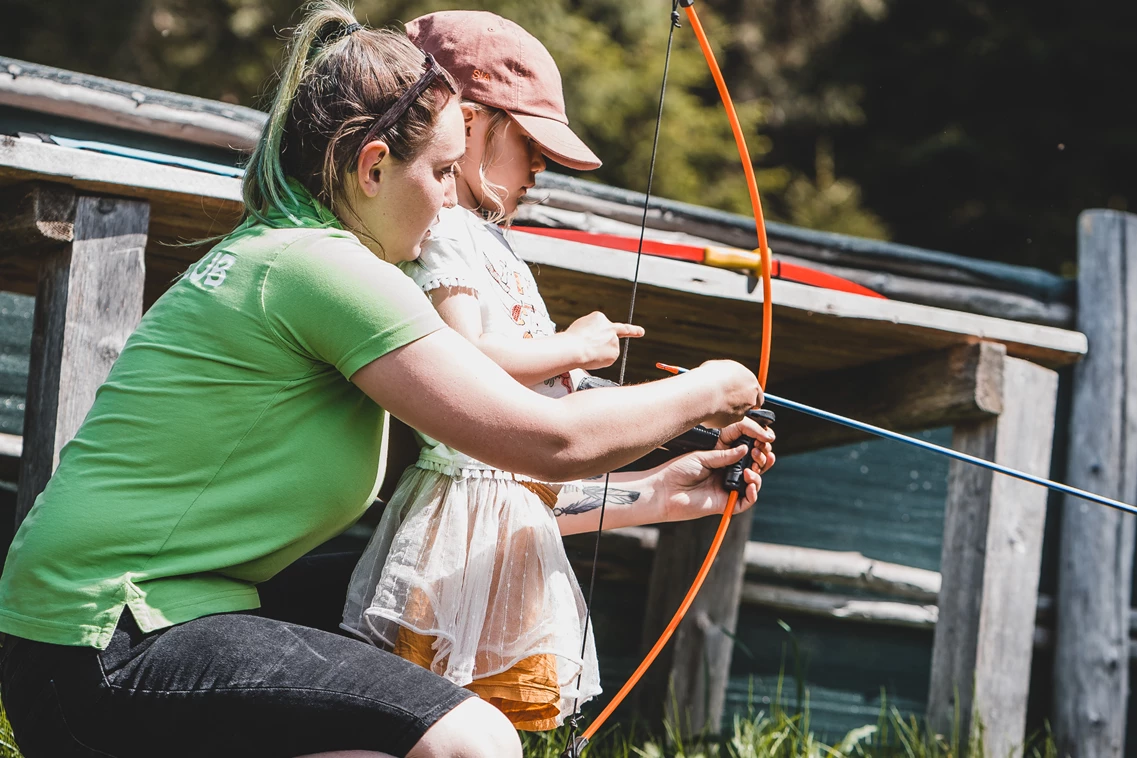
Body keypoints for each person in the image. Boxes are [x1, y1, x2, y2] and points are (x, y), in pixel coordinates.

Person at [0, 2, 771, 757]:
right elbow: (551, 440)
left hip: (128, 625)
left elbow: (461, 502)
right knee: (473, 740)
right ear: (373, 166)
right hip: (101, 645)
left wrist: (657, 492)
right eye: (440, 172)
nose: (447, 204)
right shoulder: (325, 271)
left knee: (408, 600)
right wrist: (712, 385)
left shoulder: (303, 252)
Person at [339, 11, 769, 734]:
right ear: (467, 122)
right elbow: (466, 360)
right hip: (461, 526)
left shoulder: (490, 239)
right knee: (431, 721)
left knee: (484, 725)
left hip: (508, 516)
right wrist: (575, 348)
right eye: (530, 144)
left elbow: (545, 420)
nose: (540, 167)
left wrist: (685, 431)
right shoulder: (441, 231)